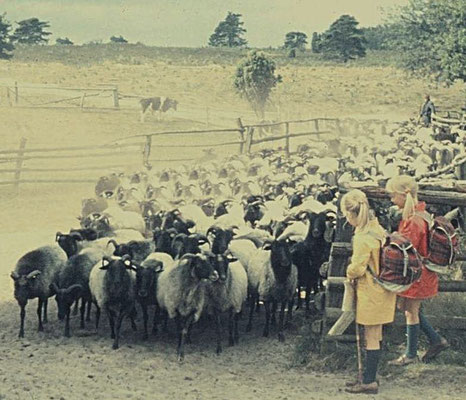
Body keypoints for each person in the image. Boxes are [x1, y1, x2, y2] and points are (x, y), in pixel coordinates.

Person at [386, 175, 449, 366]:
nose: (391, 199)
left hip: (416, 273)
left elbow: (406, 248)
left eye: (392, 195)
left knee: (410, 311)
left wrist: (390, 238)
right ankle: (436, 340)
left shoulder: (413, 220)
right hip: (421, 272)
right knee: (406, 308)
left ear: (403, 195)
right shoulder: (420, 214)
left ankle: (411, 354)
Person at [341, 189, 397, 395]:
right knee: (375, 334)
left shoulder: (362, 237)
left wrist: (348, 269)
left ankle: (369, 381)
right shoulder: (377, 228)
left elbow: (357, 268)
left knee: (371, 335)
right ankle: (367, 375)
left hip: (370, 291)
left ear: (351, 214)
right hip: (384, 288)